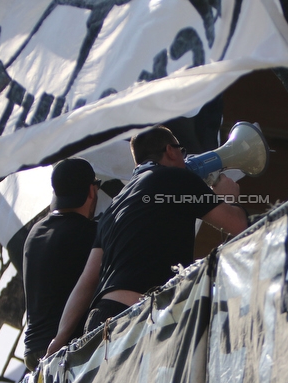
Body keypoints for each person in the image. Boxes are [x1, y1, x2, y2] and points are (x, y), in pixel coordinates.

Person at [46, 126, 247, 355]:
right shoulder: (177, 178)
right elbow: (238, 225)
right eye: (181, 150)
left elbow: (88, 279)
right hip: (142, 318)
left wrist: (59, 338)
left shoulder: (115, 205)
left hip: (99, 322)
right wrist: (229, 198)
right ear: (171, 151)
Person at [22, 158, 100, 370]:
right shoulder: (91, 233)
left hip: (34, 349)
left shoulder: (36, 231)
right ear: (92, 191)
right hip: (67, 348)